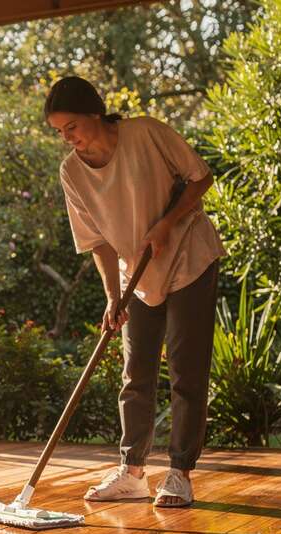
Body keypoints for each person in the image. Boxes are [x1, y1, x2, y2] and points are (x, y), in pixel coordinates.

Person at [45, 76, 225, 508]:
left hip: (188, 256)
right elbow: (97, 241)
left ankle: (180, 473)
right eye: (59, 131)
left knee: (185, 369)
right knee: (136, 372)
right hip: (137, 274)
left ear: (94, 112)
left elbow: (200, 178)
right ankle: (132, 472)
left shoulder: (145, 133)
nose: (67, 138)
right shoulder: (72, 172)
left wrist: (167, 223)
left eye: (71, 126)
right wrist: (113, 295)